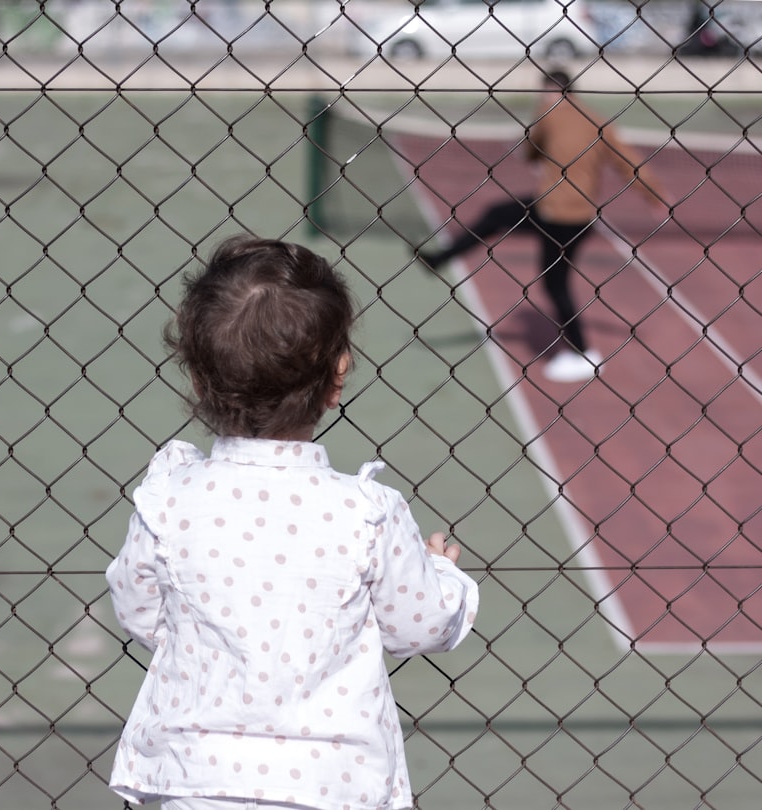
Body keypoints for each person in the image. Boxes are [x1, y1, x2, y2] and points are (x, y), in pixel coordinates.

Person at [106, 234, 480, 810]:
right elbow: (418, 627)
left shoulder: (170, 498)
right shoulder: (366, 513)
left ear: (199, 380)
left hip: (195, 777)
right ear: (338, 375)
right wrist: (444, 577)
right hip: (331, 783)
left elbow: (139, 609)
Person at [418, 69, 666, 383]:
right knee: (499, 217)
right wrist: (654, 196)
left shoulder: (548, 115)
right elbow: (627, 161)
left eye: (545, 93)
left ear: (553, 92)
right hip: (579, 216)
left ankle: (582, 352)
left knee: (554, 282)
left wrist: (539, 146)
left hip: (555, 213)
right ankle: (440, 259)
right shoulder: (598, 121)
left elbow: (531, 150)